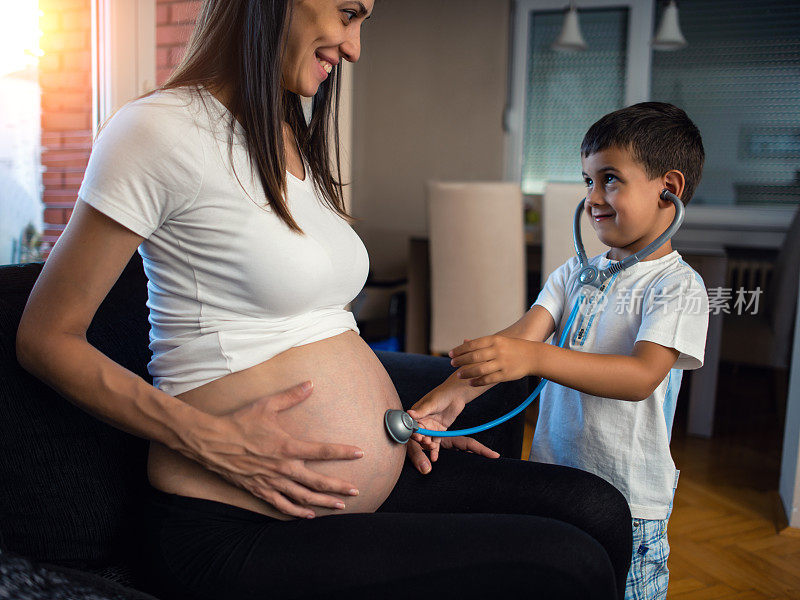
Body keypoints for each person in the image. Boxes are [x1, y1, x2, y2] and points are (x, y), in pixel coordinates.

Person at [15, 1, 633, 598]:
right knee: (568, 565)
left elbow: (310, 327)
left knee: (597, 509)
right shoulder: (156, 129)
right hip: (232, 524)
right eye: (348, 13)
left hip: (355, 483)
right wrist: (207, 438)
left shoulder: (288, 130)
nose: (356, 48)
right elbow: (47, 337)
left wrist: (391, 422)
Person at [411, 102, 709, 600]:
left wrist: (537, 359)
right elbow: (519, 340)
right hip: (554, 482)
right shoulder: (575, 274)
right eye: (587, 180)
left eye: (610, 179)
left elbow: (641, 377)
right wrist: (451, 397)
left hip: (629, 501)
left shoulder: (677, 286)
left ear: (669, 189)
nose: (592, 198)